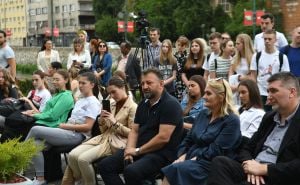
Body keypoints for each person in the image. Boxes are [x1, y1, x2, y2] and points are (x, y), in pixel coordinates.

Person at [207, 72, 300, 185]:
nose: (269, 96)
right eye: (268, 91)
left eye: (274, 91)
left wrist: (264, 169)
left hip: (278, 175)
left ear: (292, 92)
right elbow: (247, 148)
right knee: (220, 162)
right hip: (254, 168)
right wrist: (250, 165)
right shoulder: (269, 117)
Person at [98, 68, 183, 185]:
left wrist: (137, 151)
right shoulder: (144, 103)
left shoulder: (171, 104)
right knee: (105, 166)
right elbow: (134, 131)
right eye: (143, 83)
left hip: (161, 153)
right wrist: (129, 151)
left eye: (149, 83)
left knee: (131, 171)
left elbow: (163, 138)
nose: (144, 86)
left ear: (161, 84)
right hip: (139, 149)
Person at [161, 77, 241, 185]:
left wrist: (189, 156)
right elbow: (188, 139)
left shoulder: (232, 120)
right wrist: (182, 155)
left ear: (221, 97)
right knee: (171, 169)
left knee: (173, 171)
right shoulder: (203, 114)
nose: (204, 97)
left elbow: (216, 150)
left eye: (208, 94)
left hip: (211, 165)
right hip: (193, 159)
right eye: (205, 93)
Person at [25, 72, 100, 185]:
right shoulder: (80, 100)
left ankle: (17, 157)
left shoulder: (93, 102)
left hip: (77, 136)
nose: (80, 85)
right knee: (36, 144)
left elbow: (88, 127)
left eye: (83, 83)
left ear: (92, 85)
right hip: (67, 131)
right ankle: (40, 179)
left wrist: (67, 126)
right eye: (79, 83)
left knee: (36, 129)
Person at [62, 76, 137, 185]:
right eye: (110, 93)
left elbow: (132, 133)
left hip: (116, 141)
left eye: (114, 92)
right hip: (102, 137)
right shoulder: (111, 104)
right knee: (73, 155)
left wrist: (114, 122)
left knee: (83, 160)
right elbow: (103, 130)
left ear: (123, 88)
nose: (111, 96)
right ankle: (81, 179)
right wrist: (101, 120)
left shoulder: (133, 107)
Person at [250, 29, 290, 111]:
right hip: (260, 93)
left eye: (270, 39)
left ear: (275, 40)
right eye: (265, 39)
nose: (267, 41)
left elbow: (285, 77)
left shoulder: (282, 57)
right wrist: (255, 92)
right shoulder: (257, 56)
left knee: (275, 117)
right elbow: (253, 75)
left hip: (276, 94)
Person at [229, 33, 254, 105]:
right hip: (235, 88)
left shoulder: (253, 58)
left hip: (248, 88)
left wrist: (242, 78)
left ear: (244, 44)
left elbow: (254, 76)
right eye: (235, 43)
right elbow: (230, 73)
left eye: (238, 44)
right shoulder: (235, 58)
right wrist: (231, 85)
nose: (235, 46)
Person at [174, 36, 189, 101]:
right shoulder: (173, 56)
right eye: (179, 45)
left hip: (185, 81)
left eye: (182, 45)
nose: (180, 47)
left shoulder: (188, 57)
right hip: (176, 81)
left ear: (186, 46)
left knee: (185, 99)